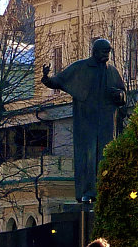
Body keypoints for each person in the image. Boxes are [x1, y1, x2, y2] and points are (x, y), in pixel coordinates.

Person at [41, 38, 126, 202]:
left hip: (107, 122)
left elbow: (124, 95)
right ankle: (87, 191)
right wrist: (46, 78)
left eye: (108, 52)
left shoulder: (112, 72)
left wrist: (120, 95)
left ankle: (105, 191)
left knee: (105, 156)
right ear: (94, 51)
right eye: (103, 52)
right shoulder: (81, 67)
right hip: (86, 121)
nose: (106, 56)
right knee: (87, 156)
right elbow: (59, 81)